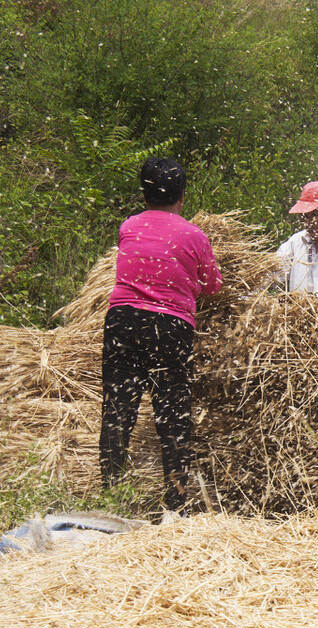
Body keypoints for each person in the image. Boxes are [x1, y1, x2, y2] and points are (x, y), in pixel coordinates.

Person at [99, 157, 221, 513]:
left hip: (121, 320)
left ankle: (111, 498)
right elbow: (212, 285)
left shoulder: (129, 226)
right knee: (172, 415)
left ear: (145, 194)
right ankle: (175, 506)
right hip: (169, 327)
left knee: (118, 410)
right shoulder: (193, 235)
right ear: (182, 196)